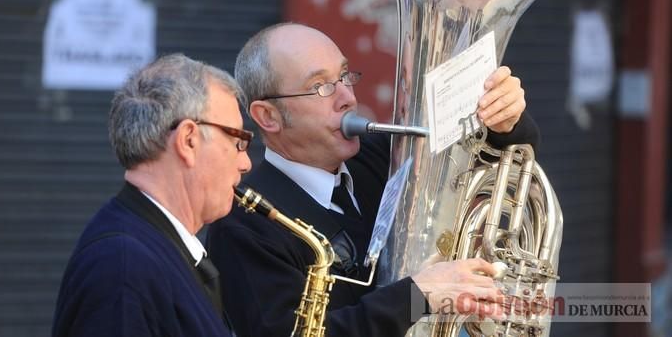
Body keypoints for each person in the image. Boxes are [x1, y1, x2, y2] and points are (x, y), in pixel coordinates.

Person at [207, 23, 540, 336]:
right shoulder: (243, 223)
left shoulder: (388, 154)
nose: (348, 97)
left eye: (344, 76)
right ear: (268, 116)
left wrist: (506, 121)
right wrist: (418, 295)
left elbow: (500, 160)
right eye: (321, 87)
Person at [52, 53, 252, 337]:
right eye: (237, 141)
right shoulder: (123, 268)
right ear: (188, 140)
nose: (245, 163)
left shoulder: (143, 253)